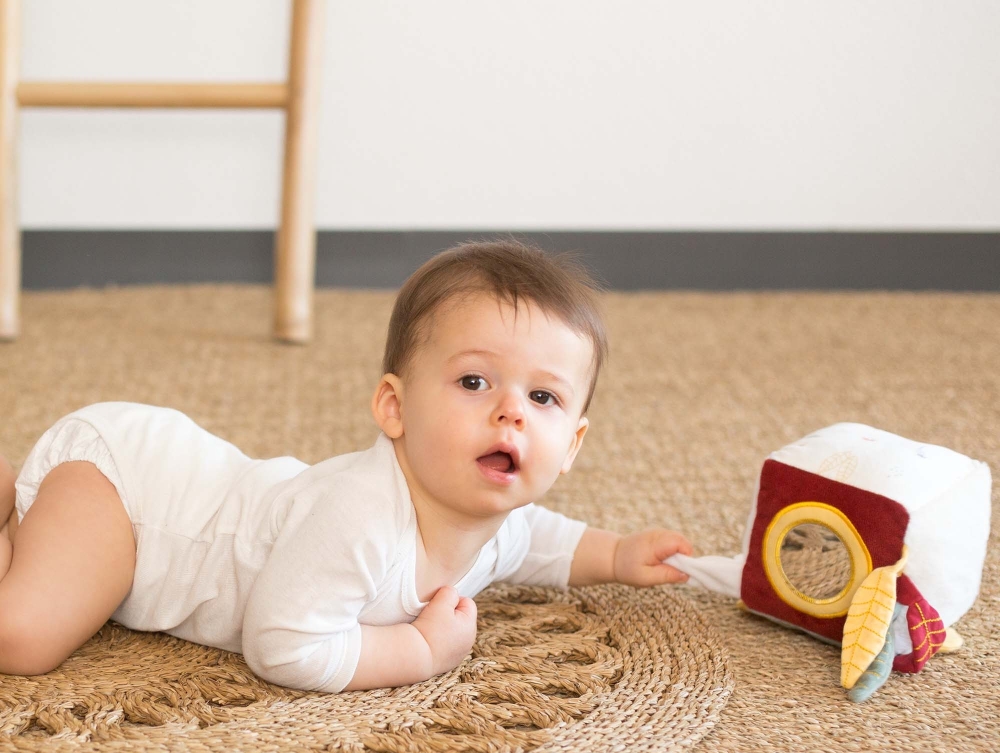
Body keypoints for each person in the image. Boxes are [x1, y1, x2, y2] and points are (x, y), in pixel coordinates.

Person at [0, 239, 692, 692]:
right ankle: (21, 498)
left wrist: (619, 554)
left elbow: (544, 541)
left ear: (571, 445)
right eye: (475, 383)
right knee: (22, 637)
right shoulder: (361, 513)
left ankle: (16, 502)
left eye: (543, 397)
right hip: (132, 499)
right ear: (393, 408)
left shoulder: (497, 521)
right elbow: (281, 644)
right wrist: (419, 652)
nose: (511, 412)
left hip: (147, 487)